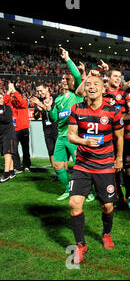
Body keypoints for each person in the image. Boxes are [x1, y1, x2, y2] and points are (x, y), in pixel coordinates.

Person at [68, 74, 124, 264]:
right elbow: (71, 136)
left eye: (96, 84)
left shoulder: (112, 111)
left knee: (107, 205)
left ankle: (106, 233)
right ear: (84, 89)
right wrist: (84, 141)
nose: (91, 87)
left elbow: (119, 137)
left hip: (104, 165)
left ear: (103, 88)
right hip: (82, 165)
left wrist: (119, 158)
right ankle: (81, 245)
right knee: (74, 204)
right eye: (88, 84)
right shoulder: (76, 108)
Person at [76, 67, 130, 209]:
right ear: (107, 78)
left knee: (126, 169)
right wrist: (89, 77)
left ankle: (128, 195)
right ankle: (118, 195)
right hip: (108, 139)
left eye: (119, 76)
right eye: (115, 76)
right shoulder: (101, 92)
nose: (118, 79)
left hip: (124, 136)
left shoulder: (125, 93)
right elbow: (79, 92)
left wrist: (117, 120)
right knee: (112, 168)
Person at [46, 47, 85, 201]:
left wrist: (67, 59)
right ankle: (68, 190)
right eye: (62, 79)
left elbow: (76, 74)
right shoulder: (58, 100)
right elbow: (53, 118)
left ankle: (88, 191)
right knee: (57, 165)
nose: (64, 81)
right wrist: (49, 108)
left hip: (74, 136)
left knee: (81, 166)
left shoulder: (77, 94)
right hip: (61, 137)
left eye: (66, 79)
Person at [3, 82, 31, 173]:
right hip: (14, 130)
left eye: (14, 95)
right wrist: (8, 92)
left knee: (25, 149)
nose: (13, 97)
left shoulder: (24, 102)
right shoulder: (10, 104)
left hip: (24, 129)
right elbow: (4, 102)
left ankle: (26, 166)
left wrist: (14, 91)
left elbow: (21, 101)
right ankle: (17, 167)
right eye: (12, 95)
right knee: (14, 150)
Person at [31, 85, 59, 175]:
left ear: (47, 88)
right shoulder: (39, 101)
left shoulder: (55, 98)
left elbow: (51, 110)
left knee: (59, 152)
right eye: (38, 91)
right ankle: (56, 173)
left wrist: (41, 105)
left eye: (41, 90)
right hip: (47, 131)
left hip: (57, 129)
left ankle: (63, 171)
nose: (39, 93)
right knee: (51, 152)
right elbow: (35, 117)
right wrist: (38, 111)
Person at [0, 92, 16, 182]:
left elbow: (8, 119)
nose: (1, 99)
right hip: (1, 135)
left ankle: (6, 174)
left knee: (7, 153)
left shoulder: (7, 108)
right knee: (6, 153)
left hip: (8, 134)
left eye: (2, 98)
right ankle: (11, 171)